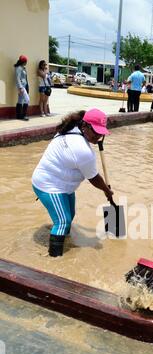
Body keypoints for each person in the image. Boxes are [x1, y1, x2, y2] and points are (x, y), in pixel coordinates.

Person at [32, 109, 113, 257]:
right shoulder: (83, 150)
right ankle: (54, 259)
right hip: (49, 184)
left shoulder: (70, 128)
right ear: (85, 126)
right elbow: (94, 179)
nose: (98, 136)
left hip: (63, 184)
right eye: (95, 132)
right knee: (63, 221)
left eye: (101, 133)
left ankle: (62, 239)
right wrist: (107, 191)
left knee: (70, 215)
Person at [14, 55, 30, 120]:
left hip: (25, 85)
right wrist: (20, 87)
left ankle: (19, 116)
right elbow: (17, 78)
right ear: (24, 61)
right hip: (22, 86)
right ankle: (24, 115)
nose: (26, 62)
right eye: (26, 61)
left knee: (20, 100)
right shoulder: (18, 68)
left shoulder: (23, 68)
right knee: (27, 100)